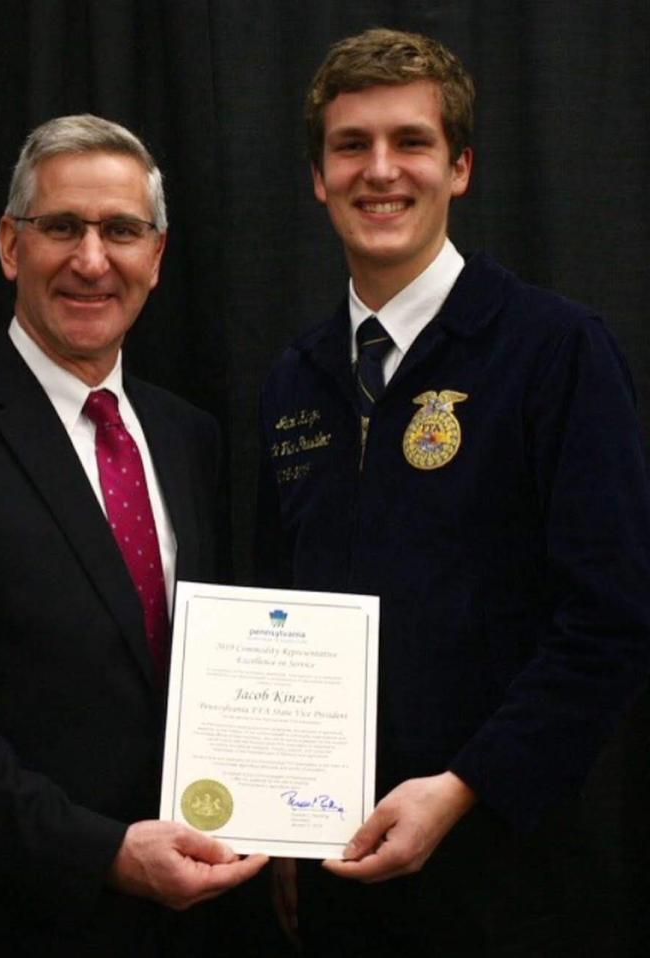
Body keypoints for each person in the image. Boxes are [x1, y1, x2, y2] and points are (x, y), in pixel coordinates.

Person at [255, 28, 650, 956]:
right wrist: (274, 820)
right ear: (318, 177)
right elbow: (278, 610)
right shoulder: (294, 378)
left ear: (460, 167)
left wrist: (465, 787)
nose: (379, 171)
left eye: (411, 142)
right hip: (336, 874)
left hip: (508, 879)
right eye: (351, 146)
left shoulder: (555, 351)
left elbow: (611, 620)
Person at [0, 114, 265, 956]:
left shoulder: (192, 438)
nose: (90, 259)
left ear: (157, 255)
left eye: (121, 230)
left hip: (187, 922)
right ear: (10, 246)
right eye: (61, 227)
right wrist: (102, 854)